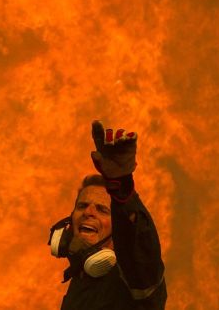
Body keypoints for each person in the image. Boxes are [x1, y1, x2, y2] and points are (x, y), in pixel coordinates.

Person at [48, 121, 167, 309]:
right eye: (82, 206)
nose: (88, 212)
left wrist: (121, 185)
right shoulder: (79, 283)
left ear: (117, 230)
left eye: (102, 209)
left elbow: (137, 241)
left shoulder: (135, 276)